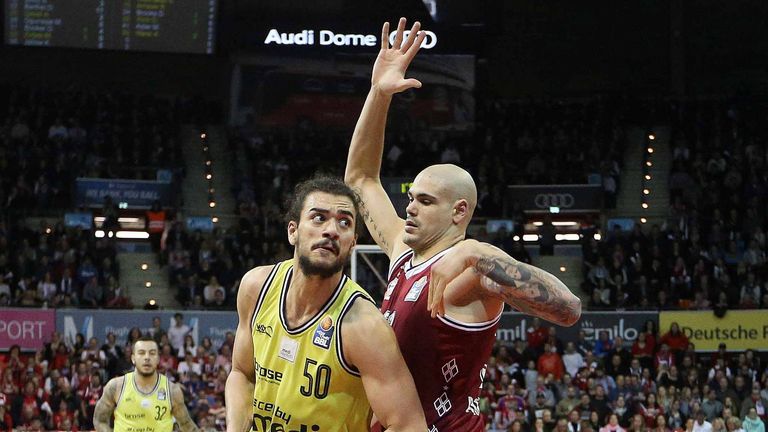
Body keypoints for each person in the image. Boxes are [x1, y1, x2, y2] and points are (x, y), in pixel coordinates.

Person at [344, 17, 582, 431]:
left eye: (425, 201)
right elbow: (361, 179)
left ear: (459, 212)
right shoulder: (403, 250)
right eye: (411, 198)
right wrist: (378, 95)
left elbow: (568, 309)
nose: (410, 208)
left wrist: (478, 253)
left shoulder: (473, 271)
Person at [225, 176, 427, 432]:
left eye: (344, 222)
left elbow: (410, 425)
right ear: (293, 231)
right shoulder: (256, 287)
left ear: (352, 243)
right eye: (319, 217)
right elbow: (242, 374)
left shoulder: (363, 326)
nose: (332, 230)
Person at [92, 336, 198, 431]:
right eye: (141, 353)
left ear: (158, 359)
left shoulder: (172, 390)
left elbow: (187, 425)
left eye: (152, 353)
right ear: (133, 358)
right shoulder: (116, 386)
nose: (147, 357)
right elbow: (99, 420)